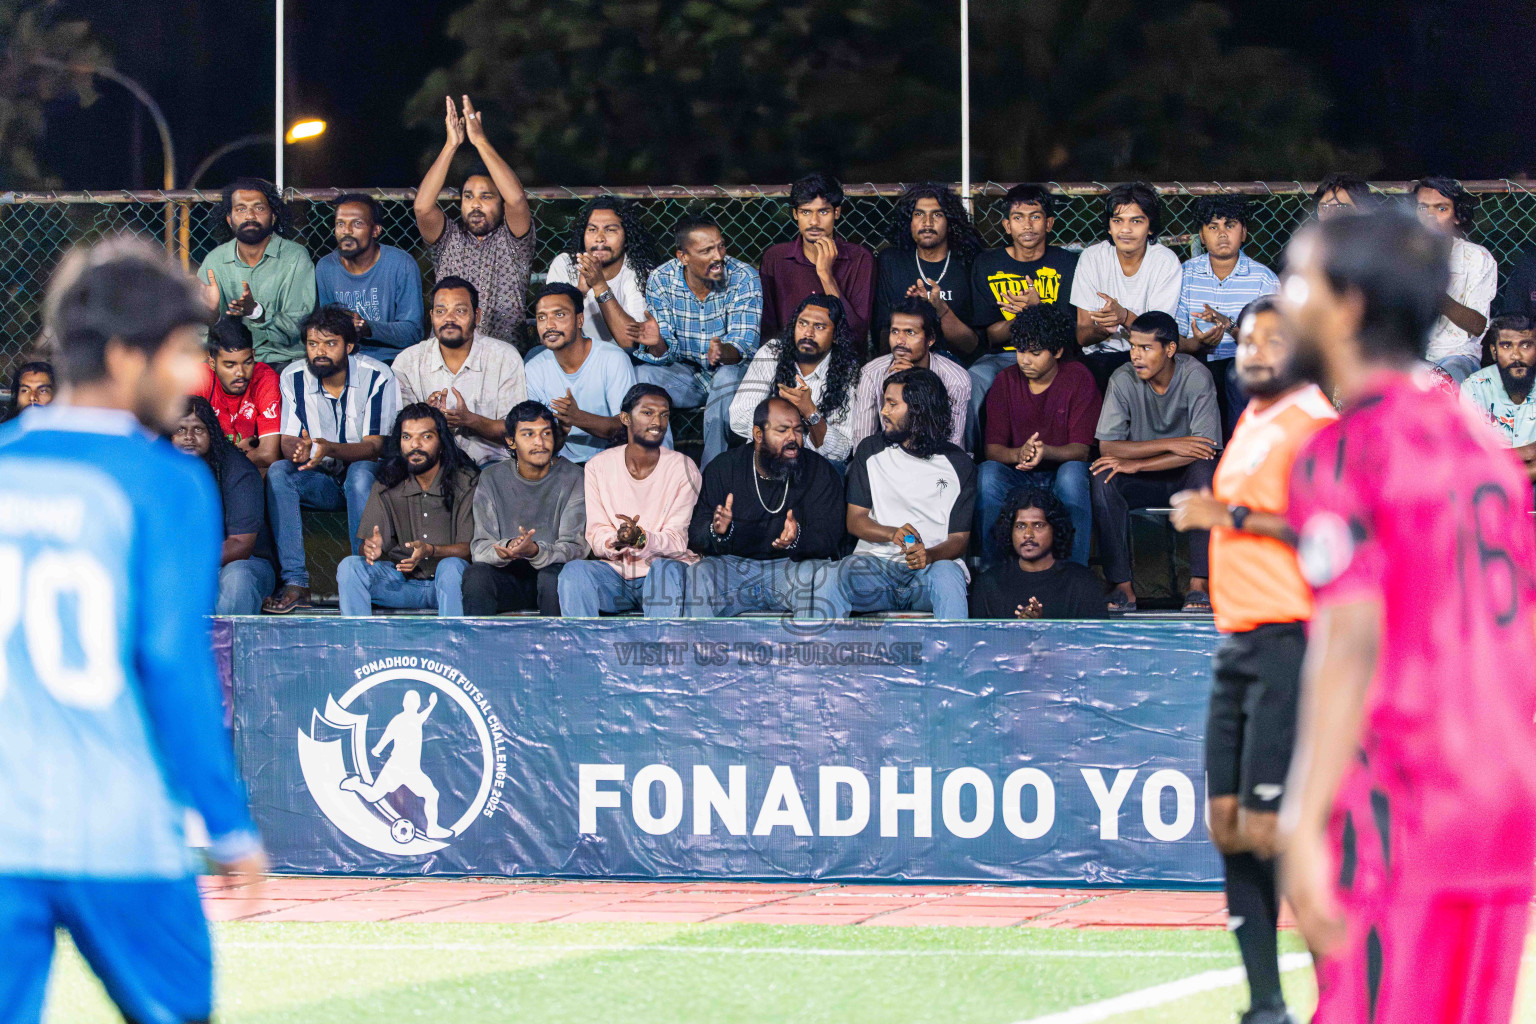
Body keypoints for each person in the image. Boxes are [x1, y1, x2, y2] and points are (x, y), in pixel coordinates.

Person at [1278, 211, 1536, 1024]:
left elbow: (1350, 641)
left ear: (1348, 305)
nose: (1285, 302)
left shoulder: (1346, 450)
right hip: (1505, 802)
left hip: (1409, 800)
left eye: (1299, 281)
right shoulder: (1483, 449)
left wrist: (1300, 822)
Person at [0, 238, 263, 1024]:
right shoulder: (168, 482)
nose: (194, 375)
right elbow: (170, 665)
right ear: (122, 356)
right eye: (181, 353)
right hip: (120, 834)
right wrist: (227, 823)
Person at [1167, 294, 1337, 1024]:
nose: (1256, 350)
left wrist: (1225, 516)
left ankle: (1356, 988)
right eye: (1246, 339)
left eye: (1273, 338)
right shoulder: (1254, 421)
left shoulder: (1316, 424)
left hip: (1291, 638)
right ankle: (1265, 1005)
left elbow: (1331, 530)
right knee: (1231, 825)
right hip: (1236, 639)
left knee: (1276, 830)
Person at [263, 306, 400, 614]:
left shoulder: (377, 376)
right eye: (313, 344)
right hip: (320, 478)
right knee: (279, 473)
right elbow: (287, 439)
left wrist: (329, 448)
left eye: (330, 343)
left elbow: (375, 446)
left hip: (368, 479)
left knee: (361, 474)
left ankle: (364, 579)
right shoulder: (292, 376)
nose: (319, 352)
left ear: (349, 346)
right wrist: (297, 451)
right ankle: (296, 583)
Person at [1090, 311, 1221, 613]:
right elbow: (1108, 446)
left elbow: (1203, 449)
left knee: (1205, 471)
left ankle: (1199, 586)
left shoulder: (1196, 376)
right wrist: (1172, 443)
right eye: (1133, 346)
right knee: (1102, 475)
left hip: (1184, 476)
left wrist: (1138, 462)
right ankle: (1122, 587)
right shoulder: (1122, 379)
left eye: (1146, 348)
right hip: (1143, 480)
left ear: (1170, 349)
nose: (1136, 355)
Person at [826, 368, 974, 620]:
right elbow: (856, 520)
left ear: (918, 409)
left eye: (893, 404)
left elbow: (959, 538)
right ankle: (828, 654)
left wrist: (930, 555)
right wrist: (891, 533)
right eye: (885, 402)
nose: (884, 411)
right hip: (876, 569)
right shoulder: (870, 450)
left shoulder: (959, 464)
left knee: (949, 575)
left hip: (930, 573)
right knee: (834, 574)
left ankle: (954, 656)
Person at [685, 396, 844, 618]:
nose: (793, 439)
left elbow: (830, 536)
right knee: (701, 573)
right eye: (782, 431)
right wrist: (717, 531)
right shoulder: (724, 468)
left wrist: (798, 536)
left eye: (798, 430)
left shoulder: (819, 471)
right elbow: (695, 532)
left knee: (825, 575)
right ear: (758, 435)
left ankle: (811, 650)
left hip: (792, 568)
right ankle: (703, 651)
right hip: (735, 570)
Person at [557, 384, 697, 616]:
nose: (658, 422)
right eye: (647, 412)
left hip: (662, 575)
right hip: (616, 575)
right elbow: (596, 533)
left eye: (664, 415)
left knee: (665, 568)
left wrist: (640, 538)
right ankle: (582, 650)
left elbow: (676, 541)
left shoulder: (683, 467)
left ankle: (660, 650)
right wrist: (618, 539)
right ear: (625, 418)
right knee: (574, 572)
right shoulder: (597, 466)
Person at [977, 304, 1099, 568]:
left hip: (1059, 472)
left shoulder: (1079, 378)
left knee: (1073, 474)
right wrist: (1018, 453)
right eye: (1020, 351)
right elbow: (992, 450)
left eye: (1035, 353)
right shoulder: (1005, 381)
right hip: (1018, 473)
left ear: (1057, 351)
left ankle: (1073, 572)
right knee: (987, 474)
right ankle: (993, 572)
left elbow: (1082, 450)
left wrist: (1046, 452)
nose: (1025, 360)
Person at [636, 215, 763, 467]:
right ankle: (663, 468)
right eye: (706, 251)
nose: (718, 256)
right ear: (683, 257)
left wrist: (722, 351)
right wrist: (656, 342)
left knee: (726, 376)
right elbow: (665, 353)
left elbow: (743, 345)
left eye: (721, 246)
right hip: (685, 375)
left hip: (731, 373)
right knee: (642, 377)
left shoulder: (744, 277)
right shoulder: (662, 280)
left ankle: (712, 475)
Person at [413, 95, 536, 346]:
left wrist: (479, 141)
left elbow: (517, 201)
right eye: (468, 196)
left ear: (500, 203)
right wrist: (451, 145)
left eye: (486, 196)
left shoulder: (514, 240)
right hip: (448, 350)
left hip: (502, 353)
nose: (476, 204)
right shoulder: (448, 238)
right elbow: (422, 207)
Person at [336, 404, 476, 617]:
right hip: (402, 585)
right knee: (350, 567)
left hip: (450, 588)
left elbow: (469, 549)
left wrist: (431, 550)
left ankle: (451, 645)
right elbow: (368, 545)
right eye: (407, 437)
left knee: (451, 567)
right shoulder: (387, 483)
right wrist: (370, 548)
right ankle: (359, 645)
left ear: (441, 444)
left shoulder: (465, 482)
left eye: (426, 437)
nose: (415, 445)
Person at [968, 183, 1080, 425]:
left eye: (1035, 217)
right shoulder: (987, 264)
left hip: (1054, 356)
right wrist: (1028, 313)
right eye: (1018, 217)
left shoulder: (1067, 263)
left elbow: (1070, 332)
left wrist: (1036, 307)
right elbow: (990, 336)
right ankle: (970, 457)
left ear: (1049, 223)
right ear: (1007, 226)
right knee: (973, 379)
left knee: (1082, 375)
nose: (1027, 225)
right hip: (1003, 357)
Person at [463, 401, 587, 617]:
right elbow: (480, 548)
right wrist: (509, 546)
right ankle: (479, 648)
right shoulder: (492, 477)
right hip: (509, 576)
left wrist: (536, 551)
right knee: (477, 576)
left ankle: (556, 649)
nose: (540, 442)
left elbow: (576, 548)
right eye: (528, 434)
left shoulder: (574, 476)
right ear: (511, 441)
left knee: (553, 579)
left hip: (554, 575)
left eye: (546, 433)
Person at [392, 276, 525, 466]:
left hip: (490, 464)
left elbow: (517, 431)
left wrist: (471, 420)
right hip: (430, 465)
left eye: (460, 311)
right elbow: (398, 434)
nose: (449, 318)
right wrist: (428, 418)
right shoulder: (408, 361)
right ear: (431, 316)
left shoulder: (504, 357)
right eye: (441, 311)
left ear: (477, 316)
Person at [1175, 196, 1280, 435]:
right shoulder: (1185, 275)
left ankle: (1237, 450)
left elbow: (1275, 346)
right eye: (1213, 227)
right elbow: (1172, 336)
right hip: (1195, 361)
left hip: (1243, 365)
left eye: (1230, 225)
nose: (1222, 234)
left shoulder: (1264, 279)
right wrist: (1196, 344)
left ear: (1243, 232)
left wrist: (1229, 325)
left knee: (1235, 371)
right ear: (1202, 236)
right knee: (1194, 371)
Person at [1070, 182, 1182, 392]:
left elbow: (1160, 336)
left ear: (1150, 227)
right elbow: (1082, 336)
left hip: (1149, 356)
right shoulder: (1092, 258)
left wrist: (1124, 316)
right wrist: (1104, 329)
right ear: (1109, 227)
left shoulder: (1165, 261)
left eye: (1136, 221)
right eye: (1117, 220)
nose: (1126, 230)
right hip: (1100, 356)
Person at [727, 294, 861, 469]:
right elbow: (738, 416)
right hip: (766, 458)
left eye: (819, 327)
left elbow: (841, 450)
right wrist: (790, 436)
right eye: (802, 323)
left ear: (835, 335)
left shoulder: (848, 372)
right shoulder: (772, 353)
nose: (808, 333)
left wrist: (810, 412)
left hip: (814, 467)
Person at [172, 397, 277, 616]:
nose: (189, 438)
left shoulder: (237, 470)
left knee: (237, 577)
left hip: (243, 564)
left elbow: (241, 544)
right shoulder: (162, 469)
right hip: (186, 563)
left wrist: (189, 561)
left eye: (198, 429)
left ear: (212, 433)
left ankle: (231, 650)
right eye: (180, 429)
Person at [196, 176, 317, 367]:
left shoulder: (295, 257)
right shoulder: (214, 261)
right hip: (231, 362)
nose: (250, 216)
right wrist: (210, 314)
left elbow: (298, 329)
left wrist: (257, 312)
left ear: (273, 216)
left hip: (281, 361)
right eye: (241, 209)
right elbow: (195, 335)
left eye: (259, 208)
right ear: (229, 219)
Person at [524, 283, 637, 463]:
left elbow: (627, 427)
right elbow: (536, 439)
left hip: (612, 461)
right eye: (541, 317)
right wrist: (561, 429)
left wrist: (577, 417)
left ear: (579, 320)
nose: (549, 325)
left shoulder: (612, 359)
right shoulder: (535, 368)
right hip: (561, 466)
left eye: (559, 315)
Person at [759, 172, 876, 346]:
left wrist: (826, 275)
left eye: (823, 211)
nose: (814, 222)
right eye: (806, 212)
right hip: (787, 357)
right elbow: (768, 331)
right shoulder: (776, 258)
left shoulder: (860, 259)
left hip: (839, 359)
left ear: (836, 212)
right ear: (795, 214)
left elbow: (855, 336)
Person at [314, 192, 425, 364]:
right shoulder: (325, 267)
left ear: (375, 230)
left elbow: (413, 333)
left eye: (357, 223)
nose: (347, 231)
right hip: (345, 361)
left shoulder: (401, 264)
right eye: (340, 223)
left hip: (393, 361)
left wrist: (368, 328)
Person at [873, 181, 982, 355]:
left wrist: (941, 308)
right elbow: (882, 336)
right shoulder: (891, 261)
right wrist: (913, 308)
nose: (927, 222)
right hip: (902, 361)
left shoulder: (968, 262)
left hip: (956, 364)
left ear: (950, 222)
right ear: (909, 221)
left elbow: (972, 346)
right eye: (919, 214)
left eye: (937, 215)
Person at [848, 296, 971, 449]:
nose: (899, 340)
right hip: (886, 461)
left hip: (936, 463)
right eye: (894, 331)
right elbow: (863, 443)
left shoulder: (955, 378)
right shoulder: (872, 373)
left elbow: (951, 445)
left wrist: (917, 386)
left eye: (910, 332)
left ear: (931, 339)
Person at [969, 488, 1106, 619]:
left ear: (1055, 529)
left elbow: (1095, 640)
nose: (1028, 534)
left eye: (1038, 525)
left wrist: (1041, 628)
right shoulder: (989, 584)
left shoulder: (1082, 582)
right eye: (1020, 526)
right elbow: (982, 641)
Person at [1413, 175, 1496, 384]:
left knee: (1447, 381)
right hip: (1408, 354)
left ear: (1457, 216)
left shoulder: (1477, 257)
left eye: (1441, 209)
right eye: (1423, 208)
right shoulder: (1397, 254)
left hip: (1456, 355)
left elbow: (1478, 326)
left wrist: (1436, 293)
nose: (1430, 217)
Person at [545, 197, 655, 345]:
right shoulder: (565, 264)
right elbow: (553, 330)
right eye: (592, 230)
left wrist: (600, 286)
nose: (599, 238)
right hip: (577, 355)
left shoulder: (639, 271)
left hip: (626, 359)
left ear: (627, 236)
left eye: (610, 230)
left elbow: (631, 343)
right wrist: (579, 292)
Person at [193, 316, 281, 469]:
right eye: (230, 365)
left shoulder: (264, 378)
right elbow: (185, 449)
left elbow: (268, 454)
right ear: (212, 363)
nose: (240, 373)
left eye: (247, 362)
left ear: (253, 356)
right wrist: (237, 452)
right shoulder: (199, 379)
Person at [1461, 314, 1536, 481]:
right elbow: (1471, 459)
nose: (1516, 355)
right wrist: (1526, 452)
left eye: (1525, 346)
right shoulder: (1475, 388)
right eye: (1507, 346)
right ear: (1494, 351)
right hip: (1492, 483)